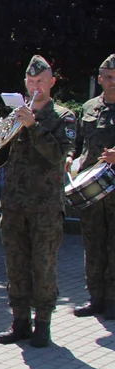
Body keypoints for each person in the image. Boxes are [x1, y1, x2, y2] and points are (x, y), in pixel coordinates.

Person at [0, 56, 74, 348]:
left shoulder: (63, 116)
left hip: (45, 206)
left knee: (43, 266)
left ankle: (43, 325)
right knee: (15, 265)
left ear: (51, 83)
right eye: (31, 81)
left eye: (41, 82)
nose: (35, 86)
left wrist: (34, 125)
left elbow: (58, 155)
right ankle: (20, 321)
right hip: (13, 204)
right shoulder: (15, 114)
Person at [71, 54, 115, 319]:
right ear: (99, 79)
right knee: (93, 244)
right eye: (107, 77)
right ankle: (95, 297)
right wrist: (69, 158)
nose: (111, 82)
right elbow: (78, 143)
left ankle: (112, 299)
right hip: (92, 188)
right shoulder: (89, 107)